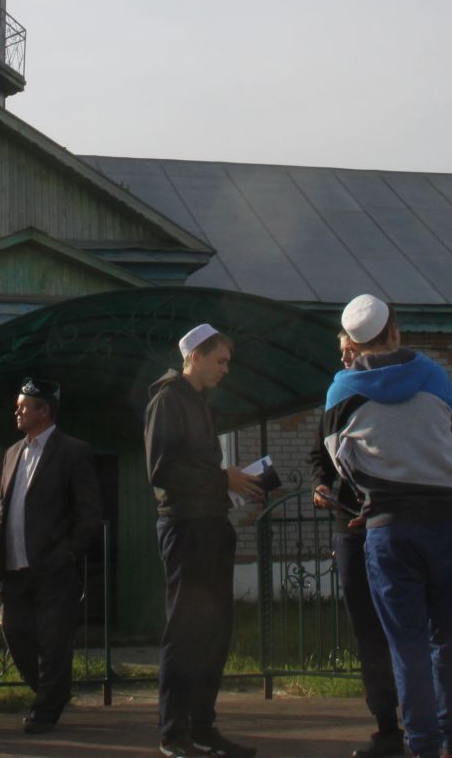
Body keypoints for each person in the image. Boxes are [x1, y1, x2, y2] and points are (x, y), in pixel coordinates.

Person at [322, 295, 452, 758]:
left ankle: (422, 744)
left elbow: (339, 461)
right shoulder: (433, 375)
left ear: (354, 342)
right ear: (395, 332)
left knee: (405, 642)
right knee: (449, 637)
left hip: (389, 526)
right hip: (448, 520)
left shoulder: (341, 391)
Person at [144, 323, 262, 758]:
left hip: (210, 524)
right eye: (220, 360)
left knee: (214, 630)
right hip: (184, 528)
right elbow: (161, 471)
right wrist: (222, 477)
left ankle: (202, 726)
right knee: (186, 630)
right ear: (194, 355)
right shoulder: (167, 399)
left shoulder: (198, 402)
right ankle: (174, 734)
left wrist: (232, 486)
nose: (226, 370)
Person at [0, 377, 102, 736]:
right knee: (17, 635)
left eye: (24, 405)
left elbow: (89, 511)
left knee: (54, 641)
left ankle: (46, 709)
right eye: (18, 405)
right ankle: (53, 693)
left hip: (53, 566)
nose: (17, 411)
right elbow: (4, 510)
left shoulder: (72, 451)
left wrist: (68, 551)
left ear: (45, 410)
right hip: (15, 566)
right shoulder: (12, 453)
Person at [310, 328, 403, 758]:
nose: (347, 358)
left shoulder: (391, 394)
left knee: (404, 624)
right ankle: (387, 724)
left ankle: (424, 720)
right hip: (350, 528)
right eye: (343, 352)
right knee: (367, 628)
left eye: (352, 350)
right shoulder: (338, 397)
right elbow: (319, 454)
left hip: (392, 524)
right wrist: (321, 483)